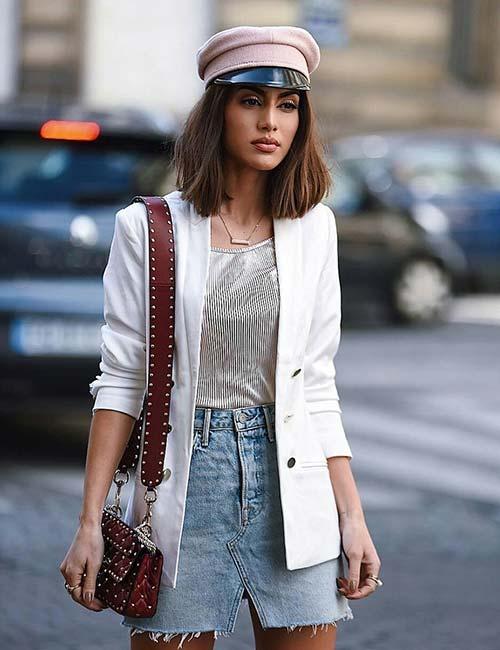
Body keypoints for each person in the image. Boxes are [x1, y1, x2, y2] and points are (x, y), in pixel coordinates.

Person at [60, 25, 382, 650]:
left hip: (292, 481)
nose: (271, 122)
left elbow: (316, 383)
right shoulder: (148, 229)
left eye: (287, 105)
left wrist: (352, 516)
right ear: (217, 112)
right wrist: (91, 521)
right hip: (185, 477)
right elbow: (123, 380)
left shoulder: (315, 229)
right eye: (251, 101)